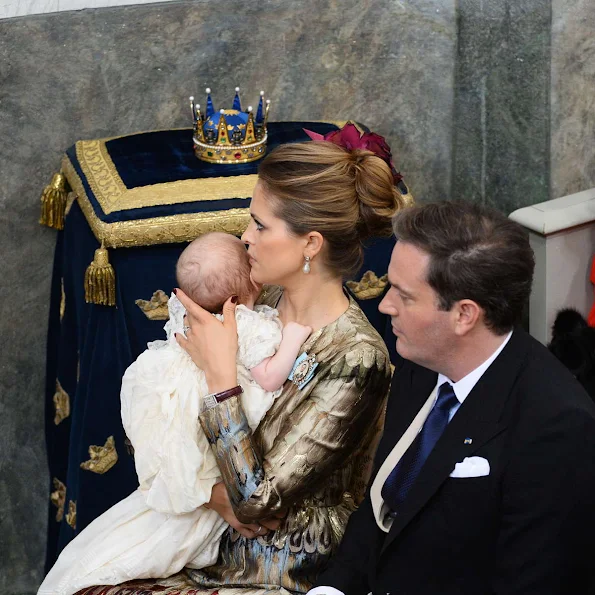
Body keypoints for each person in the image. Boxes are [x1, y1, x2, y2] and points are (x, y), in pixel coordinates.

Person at [64, 124, 407, 595]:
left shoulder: (357, 359)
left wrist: (222, 378)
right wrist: (206, 495)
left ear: (311, 244)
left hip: (273, 567)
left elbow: (258, 503)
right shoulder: (255, 296)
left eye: (261, 226)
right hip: (204, 538)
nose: (244, 237)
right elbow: (173, 403)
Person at [310, 201, 595, 595]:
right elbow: (382, 509)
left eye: (404, 296)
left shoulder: (556, 426)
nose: (385, 304)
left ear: (464, 315)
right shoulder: (420, 366)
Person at [38, 232, 313, 595]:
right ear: (243, 290)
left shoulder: (184, 320)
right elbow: (268, 375)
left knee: (110, 546)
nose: (249, 240)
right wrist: (293, 338)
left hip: (194, 443)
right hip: (217, 437)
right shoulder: (250, 326)